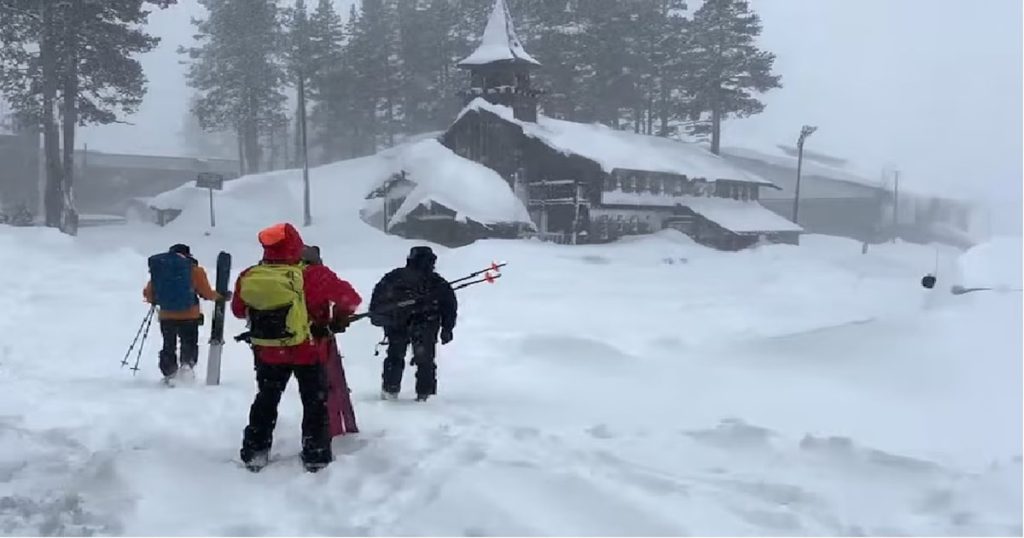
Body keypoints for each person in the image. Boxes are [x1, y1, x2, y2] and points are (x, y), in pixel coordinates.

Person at [232, 223, 361, 473]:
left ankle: (255, 451)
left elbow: (238, 310)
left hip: (267, 352)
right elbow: (351, 299)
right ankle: (316, 454)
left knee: (266, 399)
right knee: (314, 402)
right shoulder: (315, 274)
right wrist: (338, 318)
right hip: (309, 350)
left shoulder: (250, 274)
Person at [370, 246, 457, 402]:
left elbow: (378, 299)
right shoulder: (437, 282)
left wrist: (379, 317)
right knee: (424, 360)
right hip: (422, 323)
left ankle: (391, 390)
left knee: (396, 357)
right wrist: (447, 328)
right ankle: (425, 395)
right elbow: (449, 306)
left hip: (400, 324)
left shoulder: (394, 277)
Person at [302, 245, 359, 436]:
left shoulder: (274, 275)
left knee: (270, 393)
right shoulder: (319, 275)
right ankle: (331, 432)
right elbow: (350, 299)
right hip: (316, 340)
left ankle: (259, 444)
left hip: (272, 345)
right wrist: (338, 319)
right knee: (327, 387)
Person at [143, 244, 222, 383]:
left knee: (168, 344)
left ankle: (169, 372)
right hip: (189, 315)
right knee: (189, 342)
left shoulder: (162, 270)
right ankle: (187, 366)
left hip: (167, 315)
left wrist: (158, 300)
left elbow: (149, 294)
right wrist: (220, 296)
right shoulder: (194, 270)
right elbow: (206, 293)